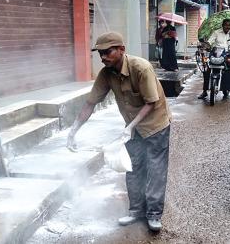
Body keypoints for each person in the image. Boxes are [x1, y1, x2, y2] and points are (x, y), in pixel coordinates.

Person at [66, 32, 171, 232]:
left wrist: (130, 126)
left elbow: (152, 101)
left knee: (155, 169)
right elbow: (90, 103)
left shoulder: (141, 68)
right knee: (132, 167)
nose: (103, 57)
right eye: (100, 54)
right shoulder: (106, 74)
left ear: (121, 50)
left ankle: (154, 214)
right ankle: (135, 210)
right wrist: (73, 131)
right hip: (132, 127)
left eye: (107, 52)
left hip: (156, 124)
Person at [198, 18, 230, 101]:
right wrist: (205, 46)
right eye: (226, 25)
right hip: (217, 53)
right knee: (207, 70)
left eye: (229, 25)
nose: (227, 27)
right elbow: (210, 42)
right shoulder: (216, 32)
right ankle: (204, 91)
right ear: (222, 25)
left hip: (228, 53)